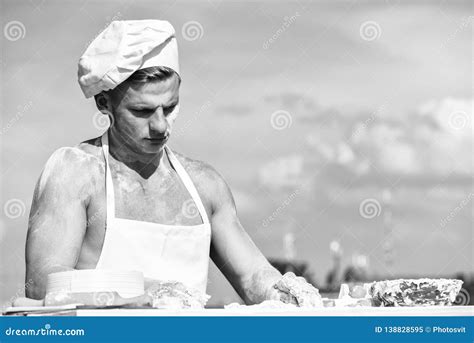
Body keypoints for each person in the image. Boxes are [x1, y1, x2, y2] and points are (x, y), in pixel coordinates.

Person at [24, 19, 320, 306]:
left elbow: (252, 275)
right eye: (142, 111)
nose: (161, 126)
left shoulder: (205, 185)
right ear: (104, 103)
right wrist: (146, 291)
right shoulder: (75, 172)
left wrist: (284, 293)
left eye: (170, 107)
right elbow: (42, 283)